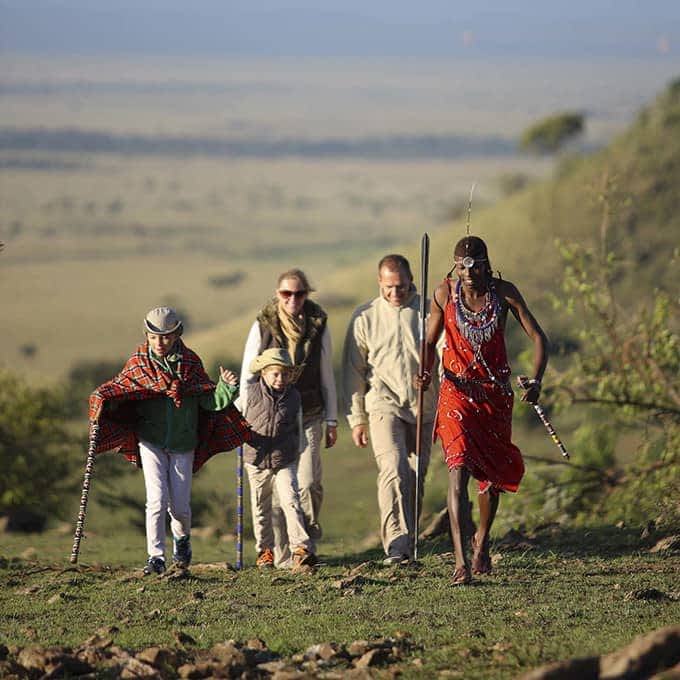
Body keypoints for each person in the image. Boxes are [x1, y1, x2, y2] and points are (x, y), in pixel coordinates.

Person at [421, 235, 548, 585]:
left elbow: (539, 337)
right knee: (457, 467)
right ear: (455, 266)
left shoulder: (504, 292)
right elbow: (429, 342)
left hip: (494, 397)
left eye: (475, 266)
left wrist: (536, 380)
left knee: (490, 479)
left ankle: (482, 542)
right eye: (463, 266)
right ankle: (461, 562)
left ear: (486, 264)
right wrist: (425, 369)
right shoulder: (444, 293)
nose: (469, 272)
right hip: (456, 392)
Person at [89, 307, 251, 575]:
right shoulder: (139, 362)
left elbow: (209, 400)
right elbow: (121, 388)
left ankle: (182, 541)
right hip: (150, 440)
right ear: (146, 335)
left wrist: (226, 387)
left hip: (183, 443)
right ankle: (156, 558)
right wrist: (100, 400)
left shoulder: (190, 363)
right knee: (156, 500)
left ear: (177, 334)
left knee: (179, 507)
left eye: (165, 337)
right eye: (153, 337)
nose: (159, 343)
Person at [342, 254, 439, 565]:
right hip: (383, 403)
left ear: (411, 280)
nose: (395, 292)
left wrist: (430, 372)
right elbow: (353, 372)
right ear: (379, 283)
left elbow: (446, 352)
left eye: (400, 286)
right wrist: (357, 418)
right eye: (388, 286)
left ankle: (410, 540)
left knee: (416, 474)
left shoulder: (430, 312)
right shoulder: (364, 317)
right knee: (393, 469)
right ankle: (396, 545)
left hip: (425, 405)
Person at [239, 269, 337, 567]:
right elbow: (247, 373)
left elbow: (326, 374)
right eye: (286, 294)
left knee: (306, 486)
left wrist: (332, 419)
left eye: (299, 293)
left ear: (307, 294)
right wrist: (240, 419)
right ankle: (285, 555)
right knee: (278, 494)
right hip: (266, 418)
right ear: (277, 294)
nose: (292, 299)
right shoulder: (263, 326)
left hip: (307, 413)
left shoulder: (318, 325)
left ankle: (305, 542)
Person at [242, 347, 317, 573]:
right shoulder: (249, 393)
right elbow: (235, 416)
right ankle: (265, 551)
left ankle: (300, 550)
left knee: (291, 501)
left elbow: (299, 426)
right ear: (263, 372)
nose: (280, 378)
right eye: (275, 373)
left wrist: (298, 455)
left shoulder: (294, 397)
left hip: (284, 459)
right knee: (260, 507)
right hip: (256, 460)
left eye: (285, 374)